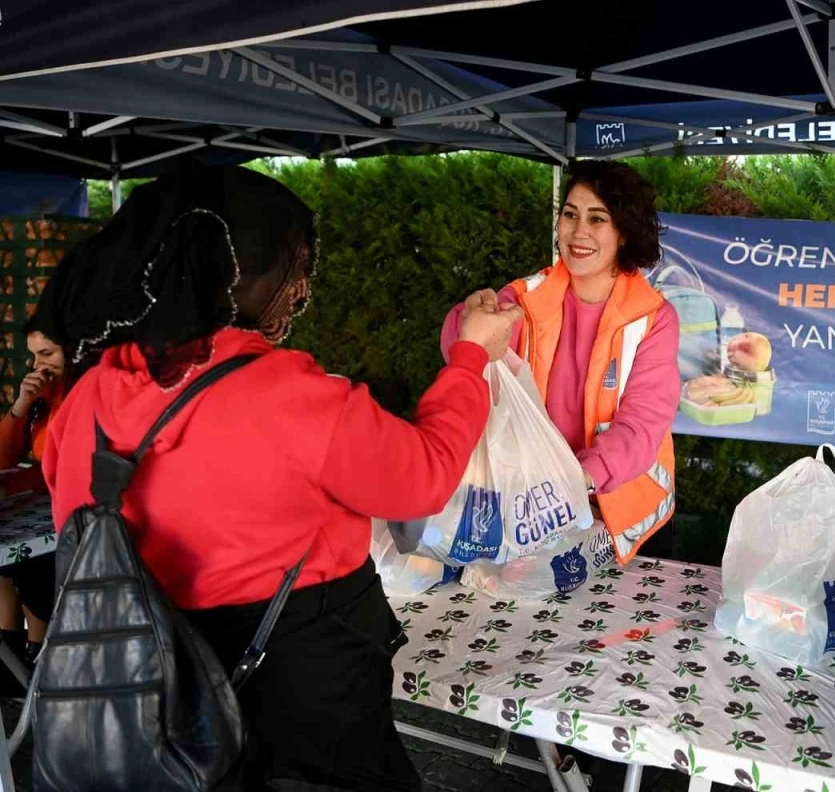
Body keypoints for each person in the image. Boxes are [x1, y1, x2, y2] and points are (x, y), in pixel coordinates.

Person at [41, 165, 521, 790]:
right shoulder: (288, 394)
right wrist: (470, 358)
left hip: (143, 691)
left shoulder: (88, 396)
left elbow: (71, 509)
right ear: (239, 273)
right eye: (292, 269)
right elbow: (422, 477)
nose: (299, 292)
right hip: (300, 690)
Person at [440, 160, 680, 563]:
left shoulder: (654, 319)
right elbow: (461, 350)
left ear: (624, 232)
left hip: (621, 516)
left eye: (597, 219)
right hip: (535, 508)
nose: (578, 231)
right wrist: (467, 319)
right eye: (570, 215)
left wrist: (577, 480)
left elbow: (642, 424)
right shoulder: (524, 297)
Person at [0, 304, 68, 673]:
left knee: (30, 568)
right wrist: (21, 406)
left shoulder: (86, 394)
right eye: (34, 356)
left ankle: (36, 658)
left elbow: (71, 468)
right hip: (43, 503)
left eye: (47, 354)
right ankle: (13, 657)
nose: (37, 365)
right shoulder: (45, 391)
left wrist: (17, 483)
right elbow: (4, 458)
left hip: (72, 511)